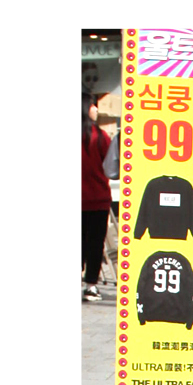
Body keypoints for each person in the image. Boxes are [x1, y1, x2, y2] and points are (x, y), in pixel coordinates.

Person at [82, 93, 112, 302]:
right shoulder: (101, 137)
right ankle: (91, 286)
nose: (96, 109)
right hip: (98, 200)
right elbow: (111, 168)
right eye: (94, 105)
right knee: (95, 245)